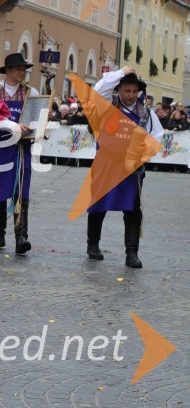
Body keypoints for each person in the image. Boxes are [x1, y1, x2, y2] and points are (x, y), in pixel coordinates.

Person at [85, 67, 163, 268]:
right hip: (106, 165)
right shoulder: (108, 105)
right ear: (119, 89)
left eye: (134, 91)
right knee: (98, 205)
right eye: (127, 90)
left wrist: (141, 153)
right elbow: (98, 90)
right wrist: (121, 72)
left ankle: (131, 253)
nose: (131, 95)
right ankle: (92, 245)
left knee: (132, 209)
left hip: (131, 169)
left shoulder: (145, 112)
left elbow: (157, 137)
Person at [0, 53, 39, 255]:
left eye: (24, 68)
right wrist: (14, 125)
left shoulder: (32, 92)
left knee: (20, 189)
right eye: (18, 68)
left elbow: (35, 117)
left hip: (21, 147)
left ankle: (21, 235)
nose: (22, 71)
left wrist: (42, 120)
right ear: (7, 71)